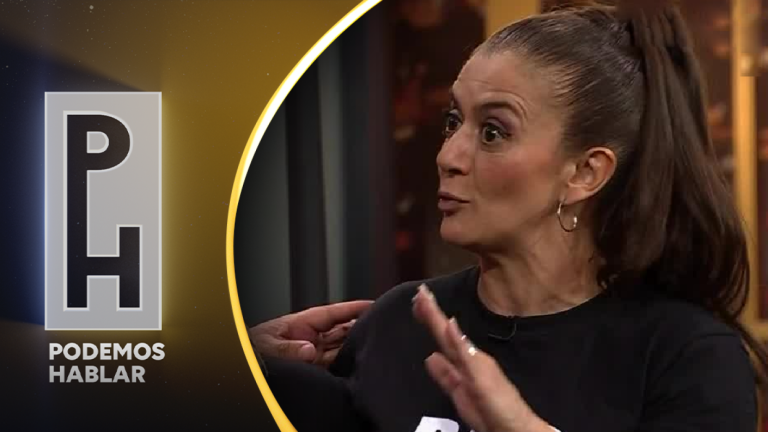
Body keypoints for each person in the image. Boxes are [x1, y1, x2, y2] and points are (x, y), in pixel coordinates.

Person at [249, 2, 767, 431]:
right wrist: (240, 363)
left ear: (584, 172)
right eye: (453, 121)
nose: (448, 155)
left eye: (493, 132)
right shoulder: (398, 324)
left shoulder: (686, 358)